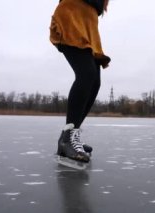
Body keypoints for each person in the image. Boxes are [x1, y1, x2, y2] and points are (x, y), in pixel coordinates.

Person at [49, 0, 111, 163]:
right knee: (86, 74)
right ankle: (67, 139)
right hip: (72, 15)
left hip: (89, 23)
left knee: (95, 81)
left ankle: (70, 136)